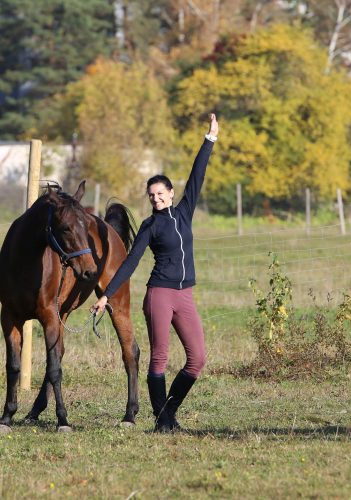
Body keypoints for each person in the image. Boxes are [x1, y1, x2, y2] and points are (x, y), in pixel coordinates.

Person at [92, 113, 219, 432]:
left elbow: (197, 175)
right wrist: (106, 295)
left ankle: (168, 412)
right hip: (159, 295)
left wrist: (210, 139)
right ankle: (164, 423)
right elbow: (130, 263)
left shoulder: (184, 213)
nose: (156, 198)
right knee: (159, 358)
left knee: (197, 358)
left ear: (171, 194)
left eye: (161, 194)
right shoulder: (149, 226)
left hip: (185, 295)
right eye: (152, 196)